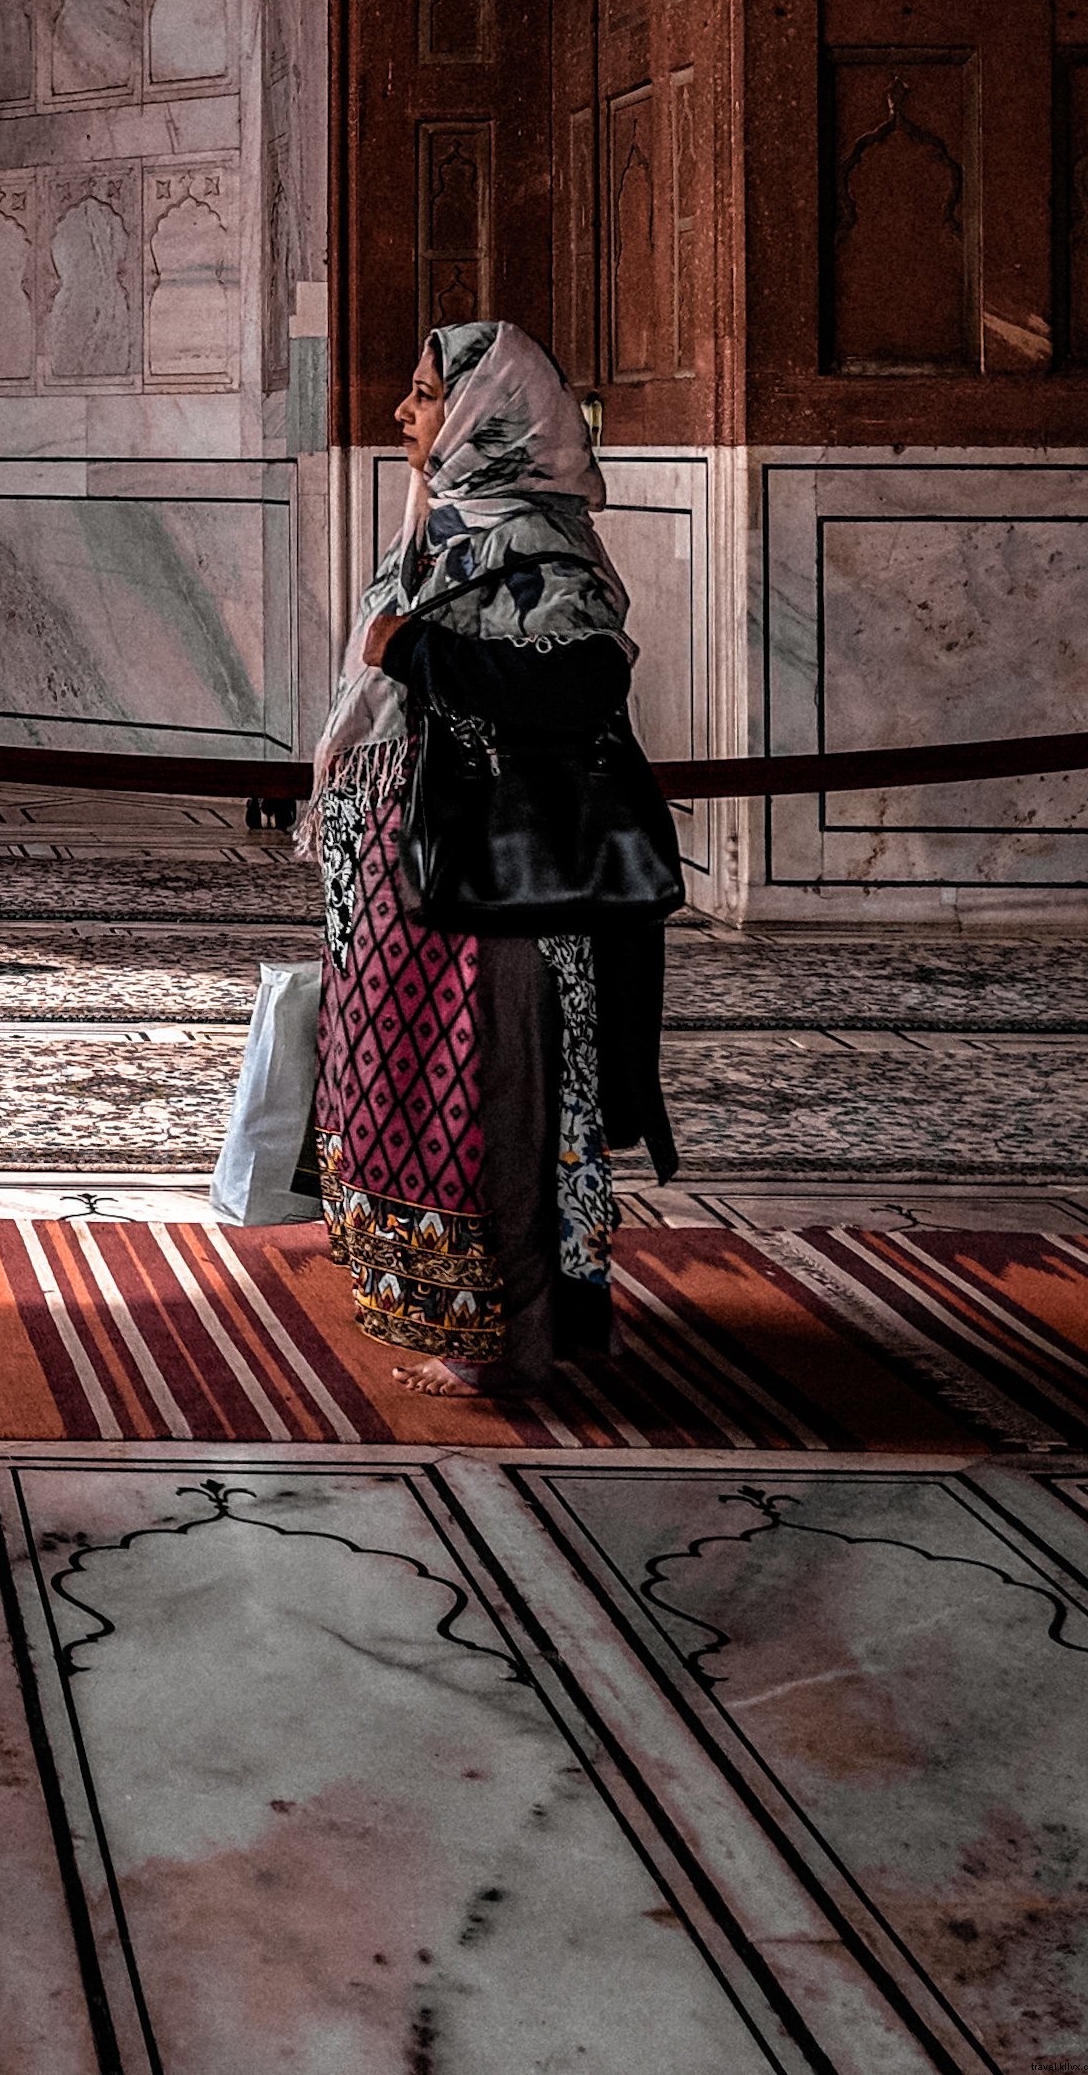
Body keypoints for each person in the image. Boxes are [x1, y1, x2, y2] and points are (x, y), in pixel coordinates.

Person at [306, 320, 675, 1398]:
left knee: (494, 1094)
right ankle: (453, 1312)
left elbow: (578, 683)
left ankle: (502, 1329)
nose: (403, 414)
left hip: (494, 883)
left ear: (482, 416)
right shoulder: (445, 527)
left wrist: (417, 649)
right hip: (418, 871)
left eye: (424, 395)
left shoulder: (536, 541)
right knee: (420, 1089)